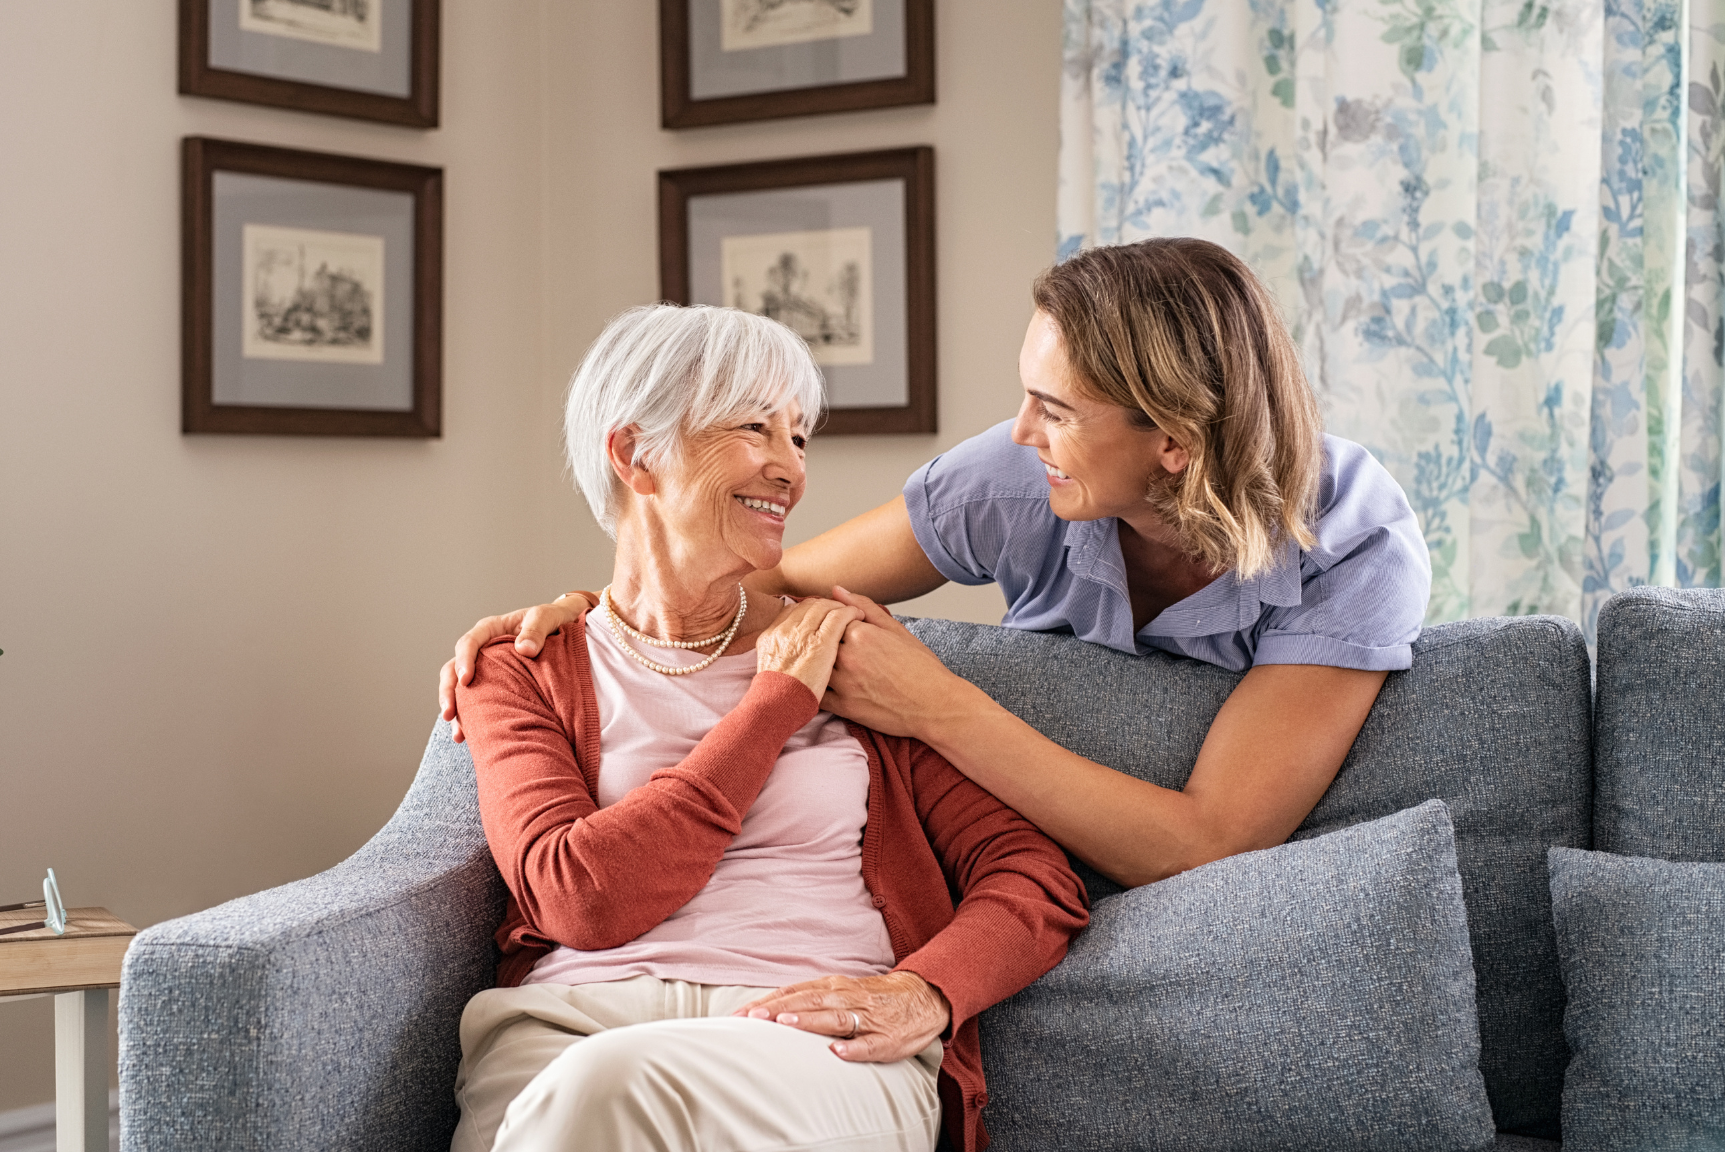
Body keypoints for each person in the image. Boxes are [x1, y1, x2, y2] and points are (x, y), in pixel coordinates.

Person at [444, 237, 1432, 890]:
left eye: (1056, 410)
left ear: (1172, 440)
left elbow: (1210, 843)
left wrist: (933, 704)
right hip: (1012, 860)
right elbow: (759, 588)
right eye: (1024, 393)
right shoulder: (1009, 479)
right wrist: (591, 614)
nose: (1018, 429)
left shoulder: (1349, 539)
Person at [452, 304, 1090, 1152]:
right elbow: (579, 897)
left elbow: (1032, 877)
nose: (790, 469)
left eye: (799, 438)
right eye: (756, 428)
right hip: (566, 1030)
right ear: (632, 455)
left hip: (806, 1041)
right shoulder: (522, 665)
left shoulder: (850, 655)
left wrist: (927, 993)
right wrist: (773, 706)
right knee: (587, 1089)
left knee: (603, 1093)